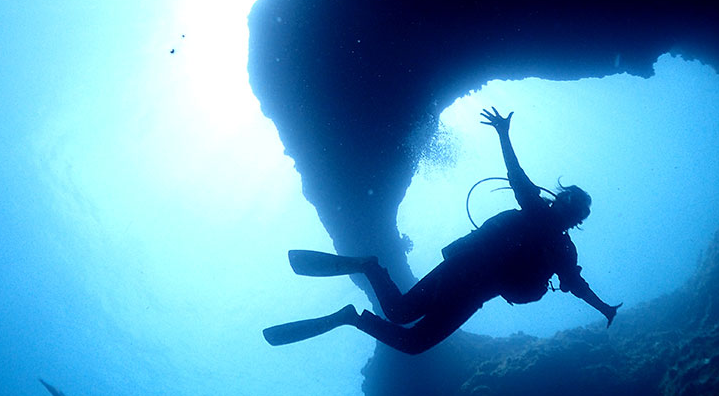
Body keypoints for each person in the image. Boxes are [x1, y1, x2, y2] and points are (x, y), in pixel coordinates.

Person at [263, 108, 621, 355]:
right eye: (569, 203)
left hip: (473, 289)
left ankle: (358, 296)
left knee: (406, 328)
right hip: (464, 274)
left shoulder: (560, 245)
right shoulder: (538, 215)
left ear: (574, 216)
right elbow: (516, 174)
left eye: (573, 209)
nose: (566, 210)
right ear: (564, 205)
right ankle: (363, 281)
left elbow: (576, 284)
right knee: (404, 323)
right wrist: (503, 134)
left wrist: (603, 307)